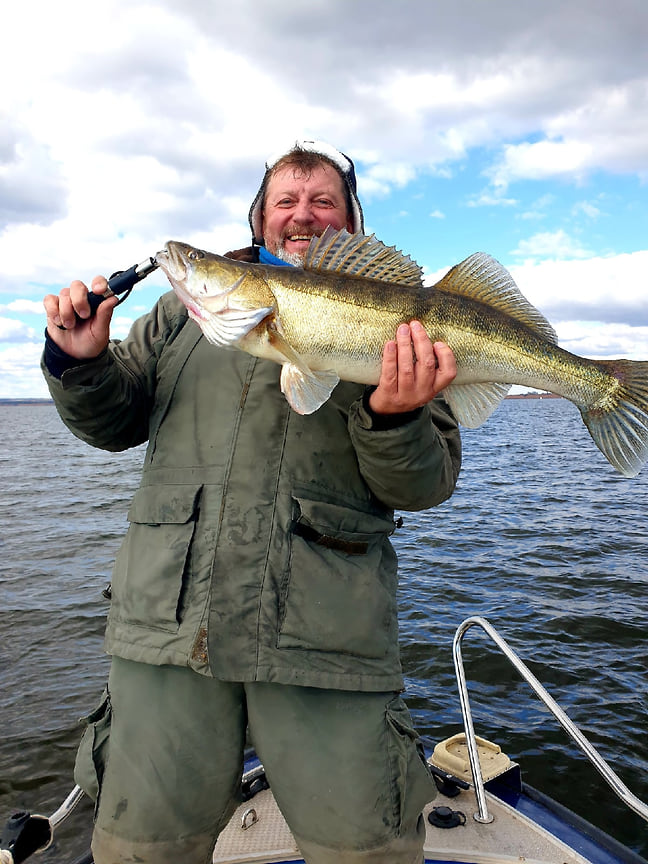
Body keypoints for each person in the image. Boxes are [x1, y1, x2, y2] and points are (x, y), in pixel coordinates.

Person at [42, 140, 462, 864]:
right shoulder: (180, 319)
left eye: (323, 201)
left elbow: (423, 485)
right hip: (168, 631)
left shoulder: (410, 328)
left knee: (367, 850)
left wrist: (394, 418)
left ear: (351, 224)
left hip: (328, 640)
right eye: (285, 202)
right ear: (259, 219)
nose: (303, 216)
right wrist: (78, 364)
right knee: (143, 850)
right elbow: (112, 424)